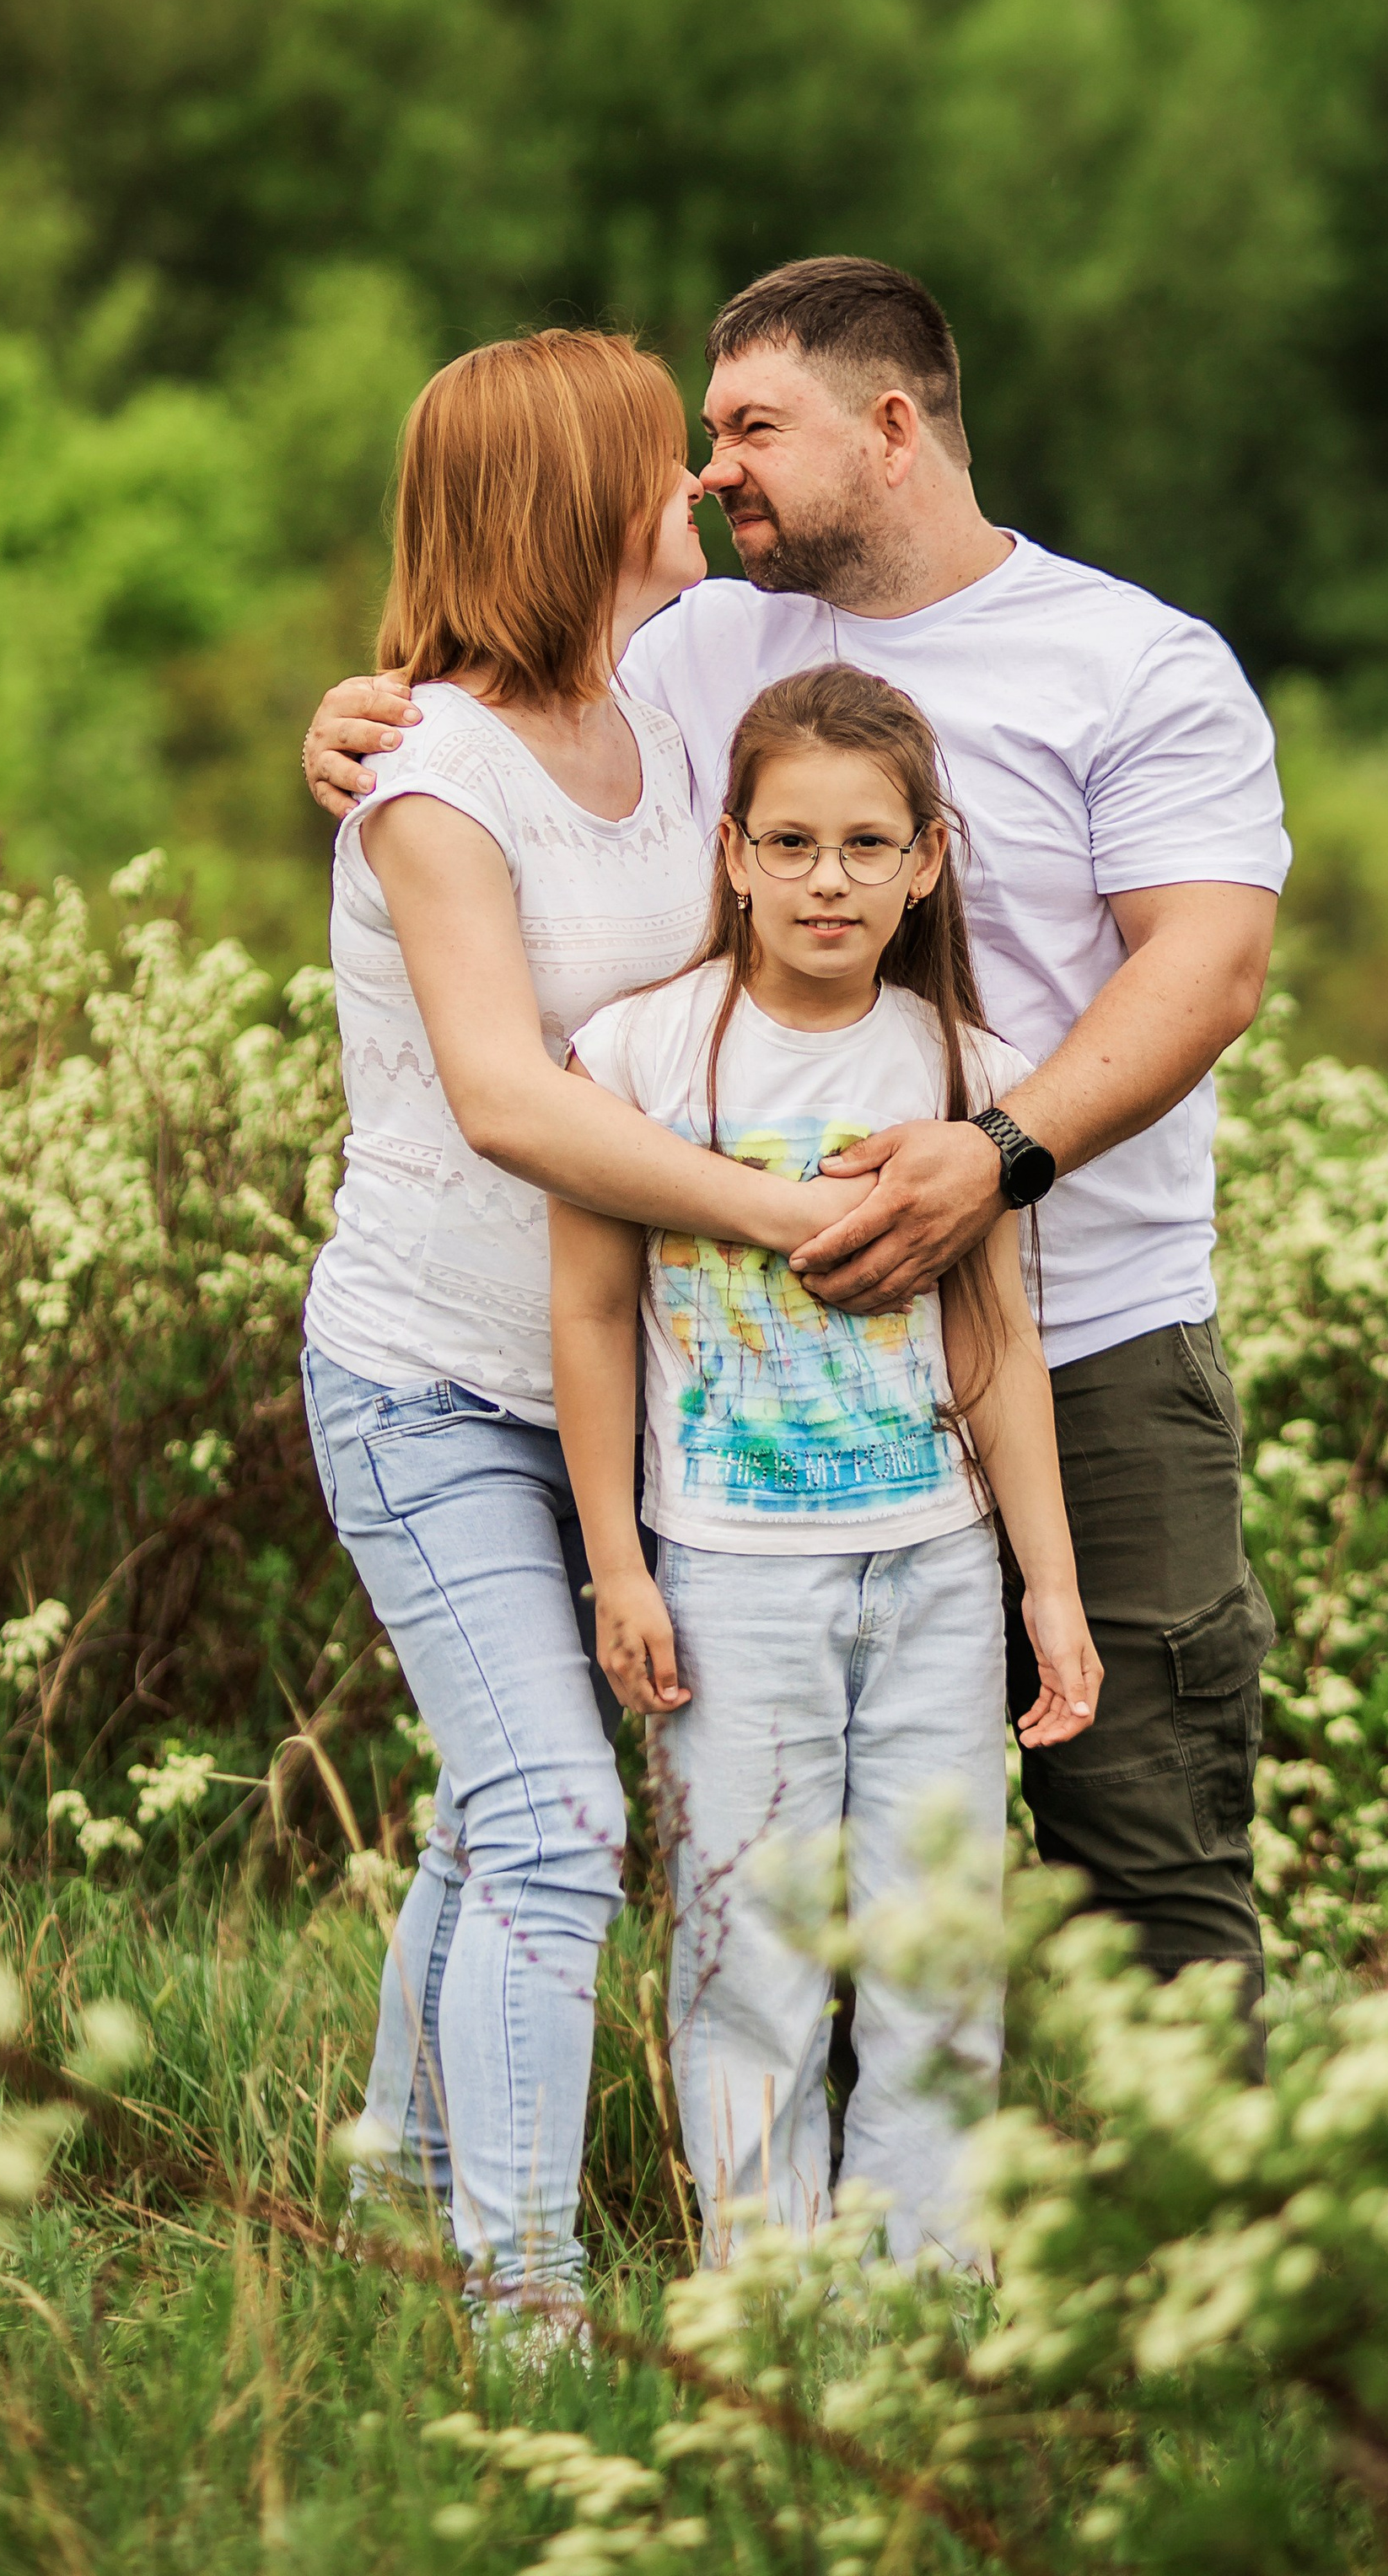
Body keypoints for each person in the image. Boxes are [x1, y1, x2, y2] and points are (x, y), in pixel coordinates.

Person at [304, 258, 1287, 2029]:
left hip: (1082, 1342)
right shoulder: (696, 642)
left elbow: (1207, 969)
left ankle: (1195, 2209)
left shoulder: (1134, 663)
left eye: (753, 427)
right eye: (702, 432)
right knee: (797, 1871)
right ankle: (815, 2206)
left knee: (1145, 1846)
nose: (710, 471)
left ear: (892, 429)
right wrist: (367, 718)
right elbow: (507, 722)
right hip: (773, 1357)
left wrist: (993, 1155)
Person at [299, 328, 865, 2320]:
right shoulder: (431, 779)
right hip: (432, 1385)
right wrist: (776, 1216)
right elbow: (507, 1101)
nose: (697, 481)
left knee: (499, 1811)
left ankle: (396, 2196)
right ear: (573, 501)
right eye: (660, 455)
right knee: (550, 1822)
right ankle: (521, 2311)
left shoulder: (655, 727)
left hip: (616, 1382)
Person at [549, 664, 1101, 2263]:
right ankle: (771, 2293)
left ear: (928, 861)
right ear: (731, 853)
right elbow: (588, 1316)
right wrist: (619, 1565)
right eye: (789, 843)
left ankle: (931, 2291)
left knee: (940, 1948)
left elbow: (994, 1342)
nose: (827, 881)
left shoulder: (962, 1069)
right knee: (753, 1951)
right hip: (730, 1580)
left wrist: (1048, 1589)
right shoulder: (640, 1056)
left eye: (868, 846)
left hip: (934, 1571)